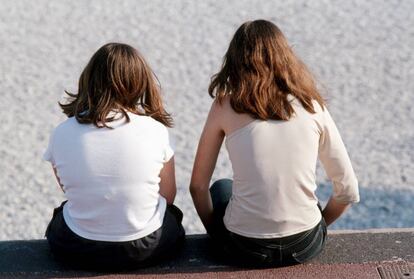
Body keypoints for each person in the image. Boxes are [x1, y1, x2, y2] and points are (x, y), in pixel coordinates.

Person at [190, 20, 359, 267]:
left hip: (243, 247)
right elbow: (348, 190)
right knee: (304, 200)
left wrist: (217, 235)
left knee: (222, 188)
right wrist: (317, 223)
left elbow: (197, 187)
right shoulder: (312, 105)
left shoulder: (225, 106)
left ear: (235, 60)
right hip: (305, 245)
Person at [43, 43, 185, 270]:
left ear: (89, 80)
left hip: (78, 246)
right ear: (140, 82)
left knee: (61, 214)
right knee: (173, 215)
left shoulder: (61, 132)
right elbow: (167, 196)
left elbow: (71, 188)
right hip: (145, 247)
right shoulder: (156, 130)